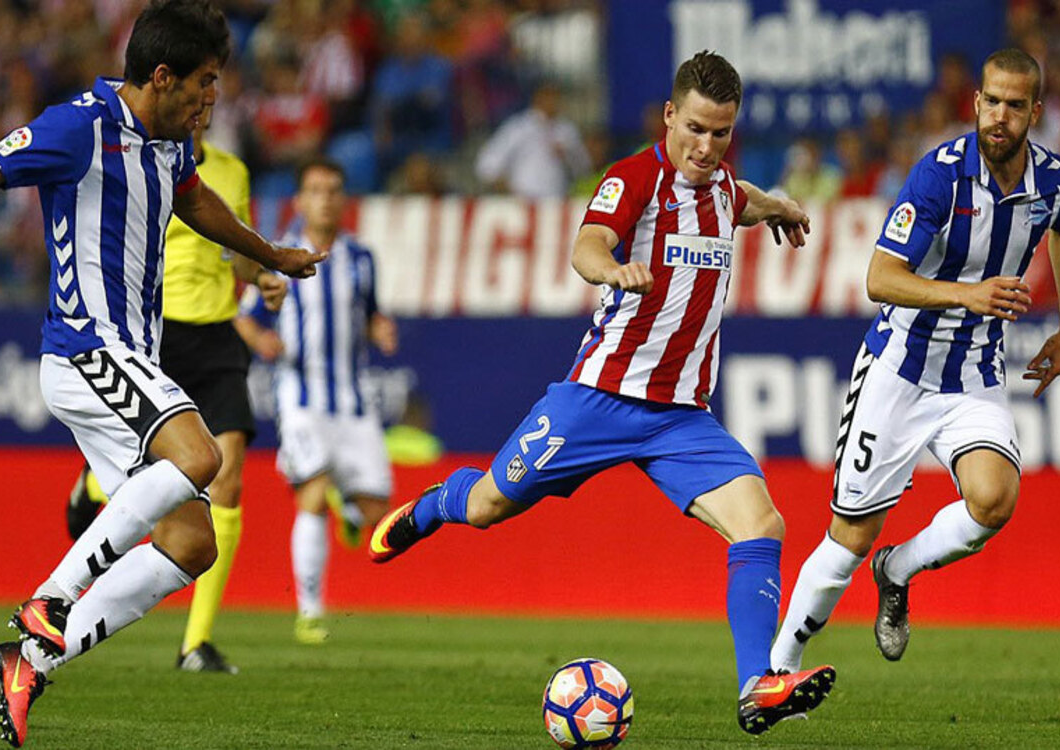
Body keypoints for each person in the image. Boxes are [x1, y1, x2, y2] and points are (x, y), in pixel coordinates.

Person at [0, 2, 325, 746]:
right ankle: (51, 598)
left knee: (191, 547)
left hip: (130, 360)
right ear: (160, 75)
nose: (214, 98)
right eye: (205, 82)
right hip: (88, 350)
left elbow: (195, 202)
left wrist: (269, 254)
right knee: (202, 457)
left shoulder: (174, 143)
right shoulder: (77, 125)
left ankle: (32, 660)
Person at [368, 51, 835, 736]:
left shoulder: (724, 189)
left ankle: (756, 685)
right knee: (490, 502)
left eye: (721, 134)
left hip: (681, 417)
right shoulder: (634, 179)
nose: (706, 148)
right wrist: (612, 270)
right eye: (696, 129)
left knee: (763, 524)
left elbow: (746, 199)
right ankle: (436, 505)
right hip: (597, 399)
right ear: (670, 115)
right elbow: (585, 245)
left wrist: (781, 209)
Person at [769, 48, 1060, 675]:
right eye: (991, 101)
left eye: (1015, 106)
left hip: (973, 374)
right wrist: (968, 293)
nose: (1000, 116)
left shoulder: (1054, 180)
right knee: (847, 540)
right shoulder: (939, 176)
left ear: (1035, 113)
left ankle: (900, 569)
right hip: (899, 371)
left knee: (995, 499)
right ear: (975, 103)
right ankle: (774, 671)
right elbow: (880, 278)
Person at [63, 101, 286, 674]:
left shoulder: (232, 172)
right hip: (160, 336)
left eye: (211, 96)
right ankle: (96, 486)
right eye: (198, 93)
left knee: (229, 477)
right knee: (172, 470)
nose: (203, 107)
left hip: (217, 337)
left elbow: (232, 253)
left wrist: (259, 274)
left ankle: (195, 643)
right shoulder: (148, 164)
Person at [233, 156, 399, 645]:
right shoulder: (277, 256)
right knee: (311, 492)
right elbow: (242, 314)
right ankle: (309, 612)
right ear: (300, 200)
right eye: (316, 190)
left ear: (343, 200)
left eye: (333, 190)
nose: (325, 198)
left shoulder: (361, 259)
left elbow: (369, 314)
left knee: (376, 516)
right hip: (301, 397)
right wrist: (260, 340)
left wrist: (380, 329)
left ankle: (350, 509)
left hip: (353, 402)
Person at [474, 82, 592, 199]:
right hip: (523, 201)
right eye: (547, 97)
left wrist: (567, 155)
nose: (552, 102)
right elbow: (487, 163)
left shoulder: (567, 130)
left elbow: (584, 167)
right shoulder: (519, 127)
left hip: (557, 200)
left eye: (555, 97)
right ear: (537, 98)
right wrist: (504, 185)